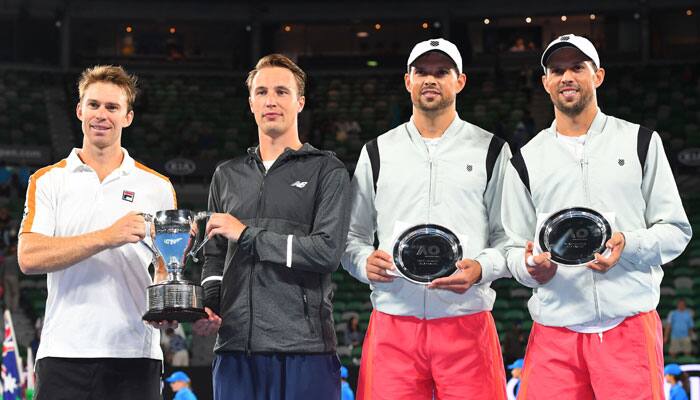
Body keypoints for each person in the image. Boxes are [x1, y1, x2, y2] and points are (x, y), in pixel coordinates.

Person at [501, 34, 692, 399]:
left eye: (577, 67)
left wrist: (629, 243)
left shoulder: (640, 142)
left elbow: (676, 231)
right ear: (545, 83)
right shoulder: (524, 160)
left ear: (598, 75)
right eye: (557, 70)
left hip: (628, 328)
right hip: (554, 331)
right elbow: (511, 246)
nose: (566, 76)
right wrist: (530, 268)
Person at [342, 38, 511, 400]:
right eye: (422, 72)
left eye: (442, 72)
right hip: (393, 321)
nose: (430, 79)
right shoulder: (377, 151)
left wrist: (481, 269)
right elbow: (351, 237)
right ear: (408, 81)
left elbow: (509, 238)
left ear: (460, 81)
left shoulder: (492, 149)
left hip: (467, 321)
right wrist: (361, 262)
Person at [192, 54, 351, 400]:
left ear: (300, 102)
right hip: (235, 350)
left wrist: (247, 235)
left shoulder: (327, 171)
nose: (271, 100)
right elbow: (214, 258)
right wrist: (211, 305)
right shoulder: (226, 175)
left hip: (305, 350)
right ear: (251, 103)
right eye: (262, 92)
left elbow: (326, 252)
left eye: (282, 91)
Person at [17, 65, 177, 399]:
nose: (101, 115)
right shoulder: (47, 181)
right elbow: (29, 257)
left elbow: (166, 269)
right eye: (94, 105)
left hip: (136, 352)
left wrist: (169, 308)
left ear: (128, 117)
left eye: (112, 107)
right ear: (79, 110)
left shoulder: (158, 187)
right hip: (64, 352)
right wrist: (108, 235)